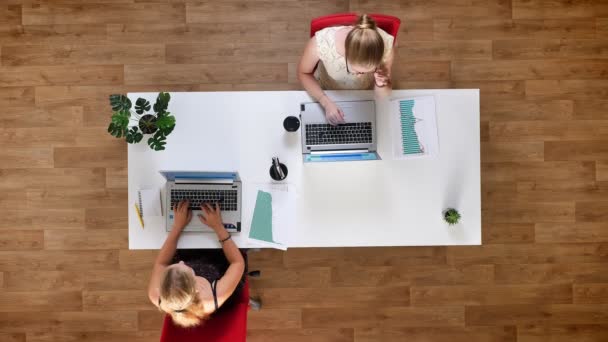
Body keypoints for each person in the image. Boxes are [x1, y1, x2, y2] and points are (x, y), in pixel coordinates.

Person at [147, 200, 245, 328]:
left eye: (174, 266)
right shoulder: (211, 298)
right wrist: (218, 226)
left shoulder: (156, 295)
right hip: (223, 263)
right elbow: (237, 263)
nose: (181, 262)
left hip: (193, 254)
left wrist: (177, 226)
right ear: (197, 287)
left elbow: (162, 263)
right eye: (186, 268)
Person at [297, 14, 395, 125]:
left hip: (365, 94)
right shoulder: (320, 44)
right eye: (358, 71)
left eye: (369, 71)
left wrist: (381, 84)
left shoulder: (386, 45)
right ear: (346, 54)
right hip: (329, 90)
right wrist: (325, 102)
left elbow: (382, 96)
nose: (359, 76)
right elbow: (304, 73)